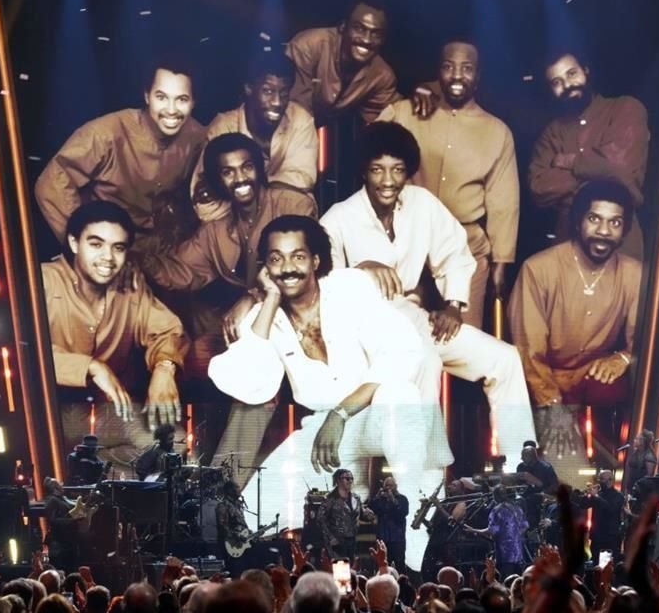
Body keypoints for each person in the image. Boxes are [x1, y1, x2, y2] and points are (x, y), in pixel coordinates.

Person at [206, 215, 452, 569]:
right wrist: (269, 296)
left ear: (316, 260)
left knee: (401, 394)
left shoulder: (350, 287)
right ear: (265, 267)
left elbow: (403, 352)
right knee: (251, 519)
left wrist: (341, 414)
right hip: (326, 433)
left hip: (378, 416)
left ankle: (413, 541)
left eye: (298, 256)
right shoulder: (263, 317)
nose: (288, 268)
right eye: (276, 259)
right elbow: (249, 383)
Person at [320, 121, 536, 458]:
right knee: (426, 361)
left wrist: (453, 304)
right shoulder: (340, 217)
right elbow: (323, 286)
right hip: (369, 331)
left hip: (414, 315)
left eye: (398, 170)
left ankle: (521, 466)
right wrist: (362, 270)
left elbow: (455, 253)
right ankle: (424, 479)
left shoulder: (422, 203)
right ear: (364, 170)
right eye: (378, 170)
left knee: (504, 359)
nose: (388, 180)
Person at [139, 133, 317, 483]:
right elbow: (180, 272)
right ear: (217, 179)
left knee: (257, 378)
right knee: (196, 359)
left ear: (261, 168)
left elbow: (305, 265)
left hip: (303, 324)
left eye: (247, 167)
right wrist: (135, 255)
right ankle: (199, 478)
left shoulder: (293, 203)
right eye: (228, 172)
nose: (240, 179)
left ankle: (223, 489)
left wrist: (251, 295)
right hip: (256, 328)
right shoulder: (216, 231)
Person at [377, 38, 519, 328]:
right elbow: (370, 159)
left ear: (477, 77)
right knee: (399, 333)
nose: (457, 76)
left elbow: (504, 202)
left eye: (466, 69)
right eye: (448, 67)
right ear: (437, 72)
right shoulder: (404, 112)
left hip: (466, 249)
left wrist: (500, 264)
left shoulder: (497, 132)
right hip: (405, 241)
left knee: (463, 337)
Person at [43, 201, 188, 465]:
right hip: (46, 417)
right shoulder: (42, 280)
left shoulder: (130, 286)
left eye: (117, 248)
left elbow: (167, 329)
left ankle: (98, 468)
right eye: (96, 244)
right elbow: (21, 351)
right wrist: (91, 367)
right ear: (75, 244)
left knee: (173, 445)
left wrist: (165, 368)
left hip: (105, 413)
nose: (108, 258)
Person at [508, 180, 640, 458]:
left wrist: (624, 358)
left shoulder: (634, 273)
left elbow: (645, 340)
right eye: (595, 219)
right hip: (541, 386)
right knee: (570, 480)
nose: (604, 232)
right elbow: (528, 352)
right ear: (578, 221)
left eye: (615, 223)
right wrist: (555, 409)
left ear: (625, 229)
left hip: (589, 383)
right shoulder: (538, 269)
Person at [35, 62, 206, 247]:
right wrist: (83, 244)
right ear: (147, 96)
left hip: (155, 249)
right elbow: (51, 184)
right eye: (161, 97)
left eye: (182, 99)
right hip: (107, 247)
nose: (171, 110)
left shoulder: (196, 136)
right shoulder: (106, 133)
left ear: (193, 103)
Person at [528, 47, 649, 259]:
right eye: (557, 82)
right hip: (566, 243)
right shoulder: (552, 132)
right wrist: (603, 171)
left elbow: (619, 164)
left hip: (623, 243)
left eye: (572, 73)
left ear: (586, 70)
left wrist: (571, 162)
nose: (567, 85)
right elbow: (538, 187)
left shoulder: (625, 108)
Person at [192, 51, 317, 205]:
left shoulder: (300, 119)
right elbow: (203, 196)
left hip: (284, 217)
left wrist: (253, 184)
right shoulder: (222, 127)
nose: (277, 102)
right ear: (249, 88)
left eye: (284, 93)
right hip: (231, 222)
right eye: (268, 91)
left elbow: (304, 179)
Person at [286, 0, 402, 124]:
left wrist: (424, 89)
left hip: (331, 132)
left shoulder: (382, 75)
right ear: (342, 26)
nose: (367, 40)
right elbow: (296, 111)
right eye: (359, 28)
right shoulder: (309, 46)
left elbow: (397, 114)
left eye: (376, 34)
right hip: (289, 130)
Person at [463, 484, 529, 579]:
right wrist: (516, 537)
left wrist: (473, 530)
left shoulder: (497, 511)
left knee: (506, 580)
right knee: (517, 580)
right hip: (518, 554)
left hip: (504, 555)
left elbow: (491, 531)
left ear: (495, 496)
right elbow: (526, 526)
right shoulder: (517, 508)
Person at [319, 469, 372, 561]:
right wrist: (330, 538)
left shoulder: (356, 497)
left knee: (352, 567)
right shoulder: (330, 498)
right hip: (337, 541)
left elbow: (361, 513)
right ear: (338, 480)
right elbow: (321, 520)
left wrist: (369, 514)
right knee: (341, 569)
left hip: (353, 539)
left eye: (352, 478)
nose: (350, 481)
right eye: (347, 478)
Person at [576, 470, 624, 561]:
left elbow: (611, 509)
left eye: (609, 479)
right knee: (595, 563)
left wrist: (596, 497)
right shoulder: (597, 495)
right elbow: (583, 505)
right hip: (597, 535)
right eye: (604, 480)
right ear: (600, 481)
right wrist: (588, 494)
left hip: (611, 536)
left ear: (613, 480)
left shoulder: (618, 496)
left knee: (608, 565)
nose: (607, 482)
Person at [369, 476, 409, 570]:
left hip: (397, 538)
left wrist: (393, 499)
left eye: (391, 485)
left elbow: (403, 512)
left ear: (396, 486)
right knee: (383, 564)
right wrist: (377, 497)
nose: (388, 488)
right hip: (383, 538)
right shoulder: (380, 500)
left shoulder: (402, 499)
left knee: (400, 564)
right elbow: (371, 509)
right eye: (386, 485)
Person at [516, 444, 558, 530]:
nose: (521, 459)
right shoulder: (521, 467)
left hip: (540, 501)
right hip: (524, 500)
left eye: (524, 456)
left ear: (531, 457)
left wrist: (542, 490)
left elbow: (554, 484)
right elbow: (517, 483)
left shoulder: (546, 468)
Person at [623, 429, 656, 495]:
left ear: (643, 441)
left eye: (637, 439)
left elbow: (649, 475)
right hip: (631, 484)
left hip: (641, 487)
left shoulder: (649, 455)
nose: (634, 441)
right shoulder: (636, 452)